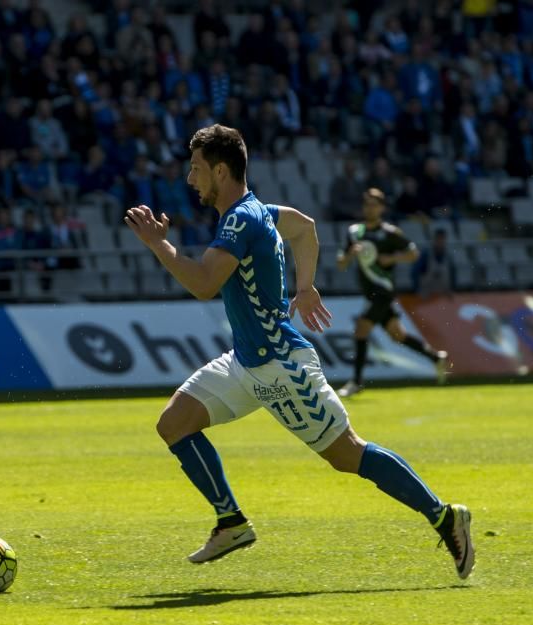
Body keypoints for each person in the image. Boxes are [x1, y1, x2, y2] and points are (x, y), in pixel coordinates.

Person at [123, 124, 474, 579]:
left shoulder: (240, 219)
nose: (190, 179)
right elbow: (305, 229)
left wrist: (158, 245)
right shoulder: (259, 211)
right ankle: (230, 521)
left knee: (347, 454)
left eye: (196, 169)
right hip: (247, 360)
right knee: (174, 423)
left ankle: (445, 517)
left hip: (280, 366)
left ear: (221, 170)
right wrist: (305, 285)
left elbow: (205, 284)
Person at [336, 188, 449, 398]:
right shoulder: (354, 232)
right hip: (370, 293)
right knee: (398, 335)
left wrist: (393, 258)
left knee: (361, 329)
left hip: (383, 291)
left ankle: (356, 382)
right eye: (367, 204)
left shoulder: (390, 232)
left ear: (382, 208)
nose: (370, 208)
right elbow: (341, 263)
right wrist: (350, 255)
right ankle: (436, 357)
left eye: (374, 204)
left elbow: (413, 253)